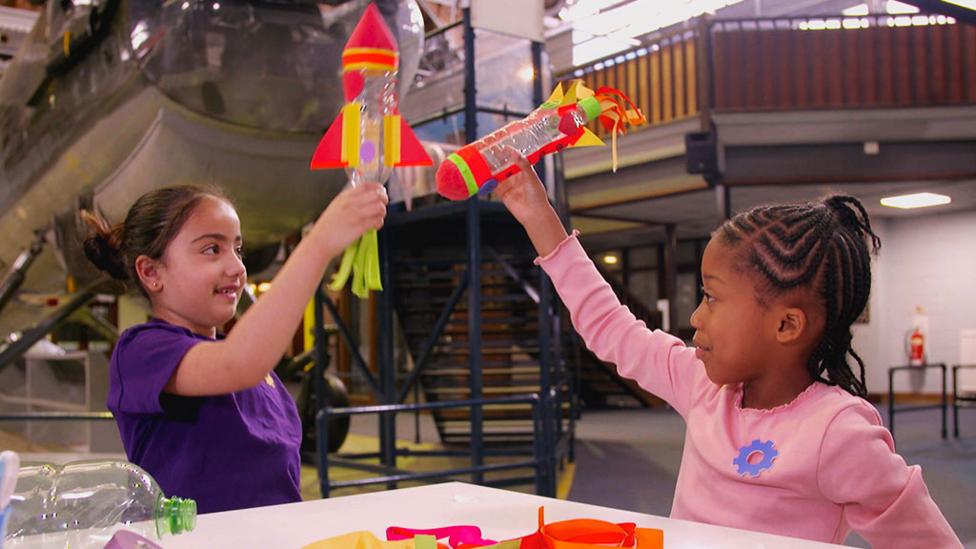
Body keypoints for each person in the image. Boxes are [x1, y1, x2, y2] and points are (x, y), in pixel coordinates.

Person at [495, 150, 961, 547]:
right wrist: (541, 221)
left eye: (712, 298)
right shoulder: (701, 383)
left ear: (785, 325)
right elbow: (611, 327)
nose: (696, 317)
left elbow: (927, 540)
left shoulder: (838, 433)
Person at [83, 183, 387, 513]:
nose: (237, 268)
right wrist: (319, 244)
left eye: (237, 250)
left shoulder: (264, 378)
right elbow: (238, 362)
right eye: (212, 249)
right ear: (151, 272)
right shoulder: (142, 352)